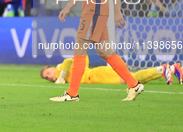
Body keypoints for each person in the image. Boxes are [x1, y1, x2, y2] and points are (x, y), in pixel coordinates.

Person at [41, 58, 183, 85]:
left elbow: (67, 61)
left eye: (48, 73)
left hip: (97, 75)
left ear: (52, 68)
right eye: (47, 78)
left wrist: (62, 76)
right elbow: (84, 57)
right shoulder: (69, 73)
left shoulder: (60, 70)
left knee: (130, 80)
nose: (50, 77)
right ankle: (171, 68)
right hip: (98, 73)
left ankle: (163, 69)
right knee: (132, 79)